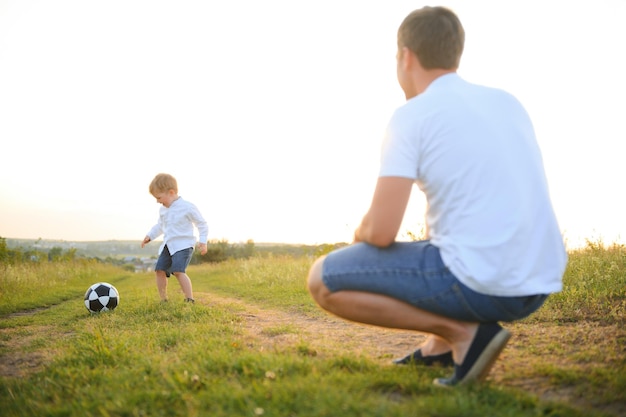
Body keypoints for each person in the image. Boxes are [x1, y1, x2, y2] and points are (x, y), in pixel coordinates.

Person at [307, 6, 567, 387]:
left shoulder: (412, 115)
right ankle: (437, 348)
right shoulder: (506, 102)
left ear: (405, 56)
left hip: (483, 284)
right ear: (454, 53)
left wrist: (360, 235)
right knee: (440, 236)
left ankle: (464, 333)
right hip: (539, 281)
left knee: (323, 279)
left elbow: (380, 232)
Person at [141, 173, 208, 303]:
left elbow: (202, 224)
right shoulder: (163, 210)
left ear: (171, 192)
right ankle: (164, 300)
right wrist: (150, 235)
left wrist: (203, 241)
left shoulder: (188, 207)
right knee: (159, 270)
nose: (157, 201)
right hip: (168, 245)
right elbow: (160, 225)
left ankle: (189, 299)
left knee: (178, 271)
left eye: (159, 197)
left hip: (184, 245)